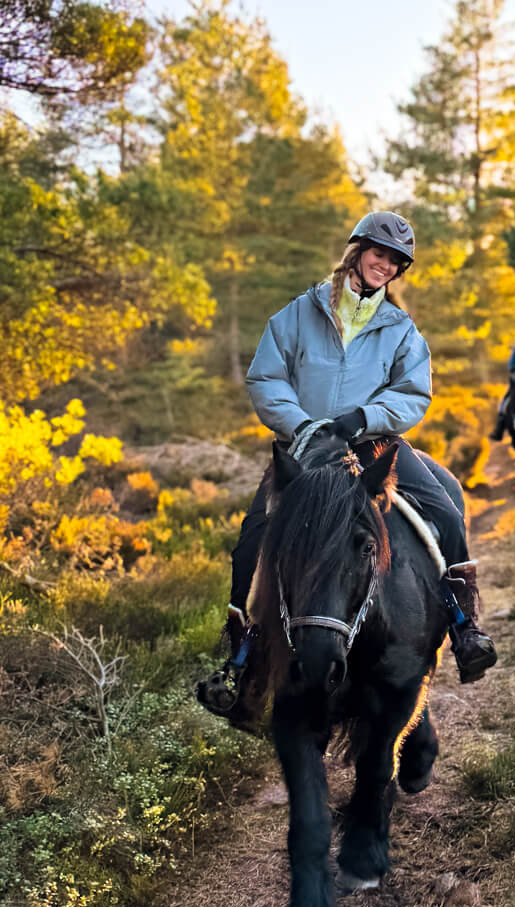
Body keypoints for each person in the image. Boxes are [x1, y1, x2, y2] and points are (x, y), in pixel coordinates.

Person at [197, 211, 497, 728]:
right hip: (306, 449)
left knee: (447, 514)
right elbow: (266, 379)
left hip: (376, 447)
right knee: (252, 541)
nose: (385, 266)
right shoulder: (296, 315)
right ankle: (240, 663)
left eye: (395, 262)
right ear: (357, 252)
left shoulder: (400, 328)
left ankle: (464, 626)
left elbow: (413, 392)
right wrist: (303, 426)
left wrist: (365, 417)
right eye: (379, 254)